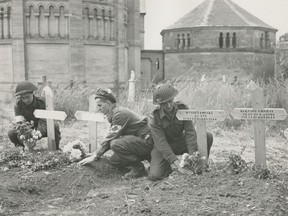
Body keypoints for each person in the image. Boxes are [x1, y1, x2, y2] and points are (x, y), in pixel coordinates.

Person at [78, 88, 153, 179]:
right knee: (115, 161)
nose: (98, 109)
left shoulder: (119, 114)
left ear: (108, 104)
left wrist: (96, 155)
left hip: (147, 142)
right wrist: (96, 153)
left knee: (115, 143)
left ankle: (138, 168)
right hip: (139, 141)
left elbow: (112, 136)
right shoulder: (115, 112)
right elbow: (113, 134)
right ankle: (144, 158)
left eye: (100, 105)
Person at [148, 82, 213, 181]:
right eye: (164, 103)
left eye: (170, 101)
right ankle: (167, 167)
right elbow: (161, 143)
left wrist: (192, 158)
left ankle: (201, 164)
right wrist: (176, 163)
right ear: (159, 104)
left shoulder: (183, 109)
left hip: (179, 142)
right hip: (162, 148)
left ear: (173, 98)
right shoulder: (154, 117)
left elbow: (190, 133)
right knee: (155, 176)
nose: (169, 105)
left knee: (206, 136)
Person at [8, 81, 61, 150]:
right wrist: (27, 136)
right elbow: (20, 124)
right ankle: (22, 149)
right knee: (11, 133)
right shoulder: (18, 105)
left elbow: (44, 121)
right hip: (28, 130)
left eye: (27, 97)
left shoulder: (41, 102)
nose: (25, 100)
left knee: (54, 126)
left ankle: (56, 148)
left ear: (33, 93)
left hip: (42, 128)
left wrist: (38, 133)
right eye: (22, 98)